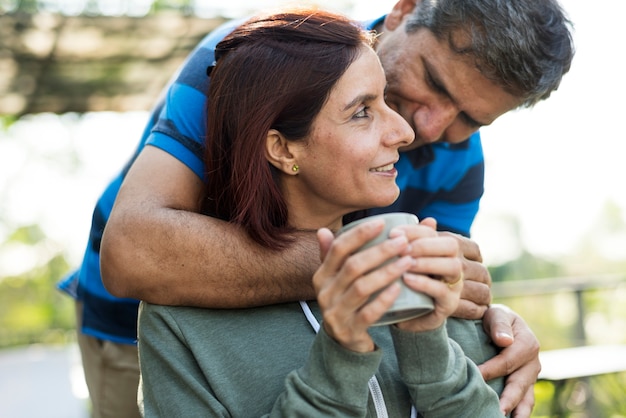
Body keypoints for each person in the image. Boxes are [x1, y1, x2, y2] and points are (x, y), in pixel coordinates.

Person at [57, 0, 574, 416]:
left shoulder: (457, 161)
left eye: (470, 118)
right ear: (403, 11)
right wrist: (368, 268)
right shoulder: (248, 58)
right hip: (139, 326)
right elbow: (134, 254)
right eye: (434, 83)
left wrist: (496, 327)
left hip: (330, 339)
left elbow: (441, 292)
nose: (429, 129)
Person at [138, 9, 503, 416]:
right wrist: (341, 355)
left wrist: (433, 348)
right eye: (362, 111)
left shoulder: (424, 281)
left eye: (387, 99)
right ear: (282, 148)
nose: (408, 132)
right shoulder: (177, 325)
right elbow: (129, 250)